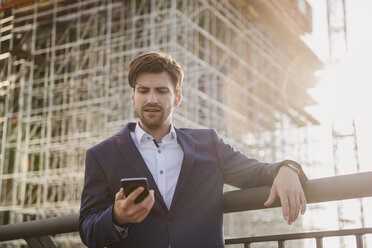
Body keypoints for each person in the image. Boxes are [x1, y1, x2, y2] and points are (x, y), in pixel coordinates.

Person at [78, 52, 308, 248]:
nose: (152, 99)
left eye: (161, 91)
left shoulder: (209, 143)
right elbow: (88, 229)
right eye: (143, 90)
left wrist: (287, 169)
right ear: (133, 97)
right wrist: (117, 217)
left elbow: (256, 172)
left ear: (177, 98)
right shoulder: (101, 155)